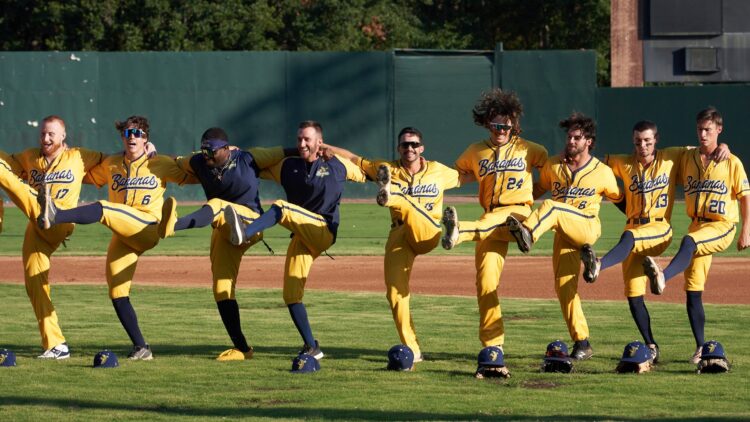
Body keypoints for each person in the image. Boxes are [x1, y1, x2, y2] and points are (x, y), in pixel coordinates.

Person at [38, 115, 196, 360]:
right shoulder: (111, 164)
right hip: (123, 236)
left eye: (138, 134)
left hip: (147, 227)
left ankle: (56, 215)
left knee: (104, 208)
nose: (132, 137)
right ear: (122, 137)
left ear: (146, 140)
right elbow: (82, 174)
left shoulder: (161, 163)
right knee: (117, 292)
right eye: (128, 133)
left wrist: (194, 160)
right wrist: (55, 160)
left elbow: (192, 174)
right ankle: (141, 348)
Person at [588, 120, 729, 363]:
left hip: (659, 228)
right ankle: (651, 346)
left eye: (647, 141)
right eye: (638, 141)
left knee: (630, 237)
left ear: (656, 140)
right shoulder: (623, 162)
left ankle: (599, 264)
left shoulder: (672, 157)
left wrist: (723, 145)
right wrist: (574, 157)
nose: (642, 146)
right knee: (633, 295)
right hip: (632, 231)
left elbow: (704, 149)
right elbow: (593, 164)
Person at [223, 120, 366, 360]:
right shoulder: (288, 167)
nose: (301, 143)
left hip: (323, 229)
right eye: (299, 138)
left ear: (318, 142)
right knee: (291, 294)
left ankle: (245, 232)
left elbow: (360, 164)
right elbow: (254, 165)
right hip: (302, 235)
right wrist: (235, 155)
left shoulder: (337, 165)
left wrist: (330, 149)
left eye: (307, 139)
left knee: (281, 207)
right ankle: (312, 347)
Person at [322, 127, 462, 363]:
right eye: (405, 145)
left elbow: (466, 176)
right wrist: (326, 148)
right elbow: (355, 158)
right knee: (395, 293)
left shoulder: (438, 170)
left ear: (422, 148)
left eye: (414, 144)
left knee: (407, 204)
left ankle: (397, 198)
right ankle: (413, 349)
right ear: (399, 148)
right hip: (399, 233)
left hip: (427, 231)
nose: (410, 148)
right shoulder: (388, 168)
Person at [158, 127, 290, 361]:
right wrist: (152, 153)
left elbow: (287, 152)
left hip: (251, 221)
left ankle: (174, 225)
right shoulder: (198, 162)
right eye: (203, 149)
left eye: (211, 150)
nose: (206, 154)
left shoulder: (248, 157)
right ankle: (243, 349)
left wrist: (322, 153)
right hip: (225, 230)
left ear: (227, 148)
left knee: (219, 205)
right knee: (221, 288)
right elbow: (177, 162)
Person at [440, 89, 548, 359]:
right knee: (486, 284)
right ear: (487, 124)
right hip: (490, 219)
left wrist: (533, 195)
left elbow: (551, 173)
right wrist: (433, 182)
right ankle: (493, 343)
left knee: (489, 222)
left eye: (505, 125)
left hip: (518, 214)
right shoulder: (476, 152)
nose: (500, 129)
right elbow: (459, 175)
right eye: (495, 124)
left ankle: (459, 232)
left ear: (514, 126)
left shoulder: (530, 149)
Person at [506, 112, 621, 360]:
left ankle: (528, 235)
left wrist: (637, 222)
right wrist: (515, 203)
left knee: (552, 207)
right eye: (569, 136)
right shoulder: (554, 165)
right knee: (565, 289)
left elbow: (620, 199)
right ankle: (582, 342)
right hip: (563, 234)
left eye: (577, 137)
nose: (571, 141)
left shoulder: (602, 171)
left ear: (588, 141)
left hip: (587, 226)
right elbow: (538, 189)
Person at [643, 107, 749, 364]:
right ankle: (701, 347)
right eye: (700, 129)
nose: (703, 134)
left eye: (708, 130)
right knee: (693, 290)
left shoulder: (731, 161)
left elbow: (745, 196)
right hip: (697, 225)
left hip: (722, 225)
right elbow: (662, 158)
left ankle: (663, 276)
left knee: (688, 242)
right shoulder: (688, 157)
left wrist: (747, 229)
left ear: (719, 130)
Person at [0, 116, 105, 359]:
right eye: (43, 134)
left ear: (63, 137)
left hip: (61, 222)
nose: (46, 138)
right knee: (36, 285)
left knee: (17, 187)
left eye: (52, 134)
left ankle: (49, 209)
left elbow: (112, 162)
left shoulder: (79, 156)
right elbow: (6, 164)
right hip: (37, 228)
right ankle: (56, 345)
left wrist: (147, 150)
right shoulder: (30, 157)